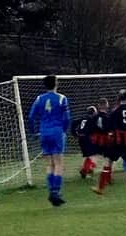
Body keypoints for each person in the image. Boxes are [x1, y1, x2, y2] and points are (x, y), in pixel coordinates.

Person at [28, 75, 71, 207]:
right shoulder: (62, 98)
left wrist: (33, 132)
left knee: (49, 164)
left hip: (44, 133)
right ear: (56, 84)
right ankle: (55, 192)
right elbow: (67, 118)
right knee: (58, 164)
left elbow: (30, 117)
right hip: (57, 132)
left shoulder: (39, 98)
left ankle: (52, 192)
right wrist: (63, 130)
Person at [71, 106, 98, 178]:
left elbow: (73, 123)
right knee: (93, 155)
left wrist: (74, 134)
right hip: (87, 138)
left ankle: (87, 170)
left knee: (89, 155)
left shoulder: (83, 119)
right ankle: (85, 170)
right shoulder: (92, 119)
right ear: (93, 113)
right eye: (95, 112)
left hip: (81, 138)